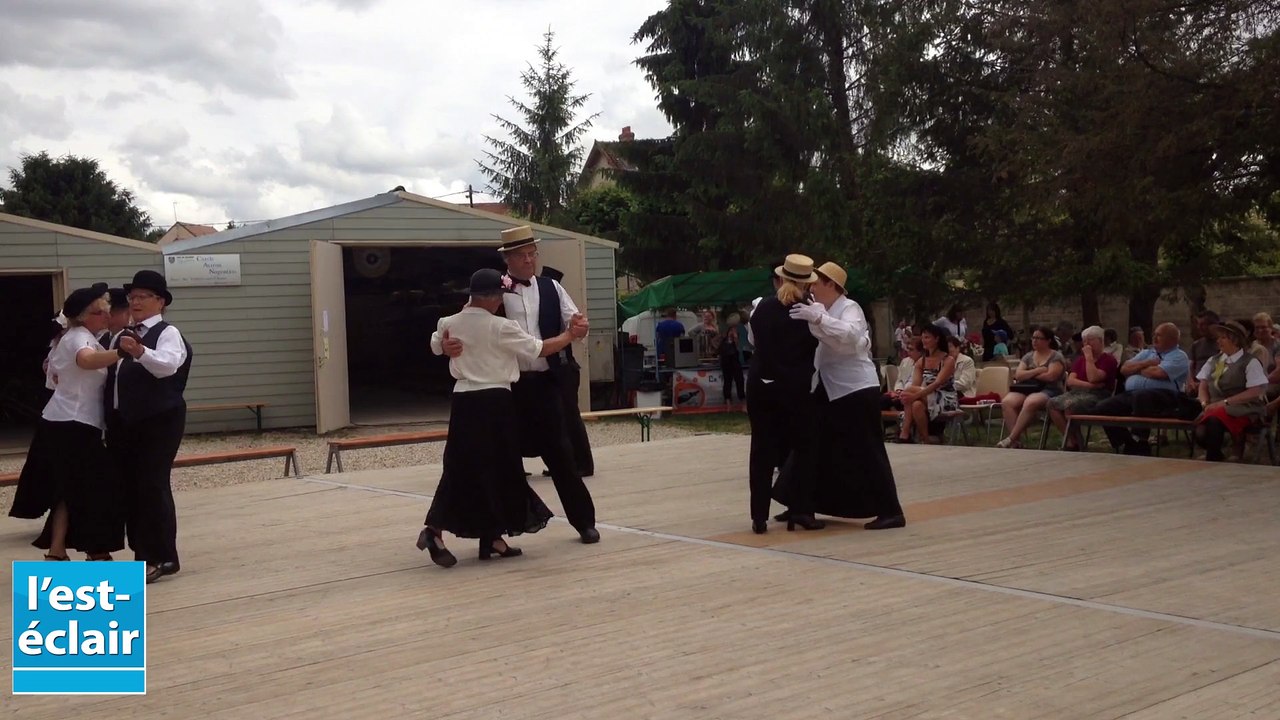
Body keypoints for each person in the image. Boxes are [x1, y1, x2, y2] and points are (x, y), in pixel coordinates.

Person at [416, 269, 586, 567]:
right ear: (491, 298)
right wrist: (570, 335)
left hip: (463, 400)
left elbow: (433, 344)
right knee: (500, 465)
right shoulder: (501, 326)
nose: (500, 303)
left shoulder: (448, 322)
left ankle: (489, 536)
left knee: (462, 465)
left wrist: (443, 347)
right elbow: (539, 349)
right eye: (499, 298)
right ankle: (439, 531)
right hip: (494, 400)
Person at [442, 226, 599, 543]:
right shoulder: (492, 290)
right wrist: (446, 346)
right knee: (501, 457)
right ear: (508, 259)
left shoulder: (552, 287)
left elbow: (576, 322)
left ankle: (584, 522)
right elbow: (462, 324)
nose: (529, 260)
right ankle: (493, 533)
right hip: (507, 388)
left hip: (546, 382)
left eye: (532, 254)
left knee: (561, 454)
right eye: (522, 256)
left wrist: (580, 327)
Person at [780, 262, 905, 530]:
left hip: (855, 388)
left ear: (831, 285)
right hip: (828, 386)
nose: (811, 287)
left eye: (816, 283)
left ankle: (891, 511)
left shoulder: (849, 308)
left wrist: (820, 319)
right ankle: (798, 503)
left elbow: (850, 337)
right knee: (810, 442)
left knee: (868, 449)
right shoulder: (819, 308)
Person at [17, 284, 127, 560]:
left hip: (71, 423)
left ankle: (57, 550)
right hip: (72, 424)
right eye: (100, 312)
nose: (106, 315)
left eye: (106, 310)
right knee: (98, 485)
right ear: (83, 316)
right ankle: (96, 550)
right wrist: (123, 353)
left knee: (69, 487)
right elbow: (86, 361)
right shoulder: (78, 338)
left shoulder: (87, 337)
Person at [105, 270, 193, 584]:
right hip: (125, 422)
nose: (136, 302)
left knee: (152, 484)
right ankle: (141, 554)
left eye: (143, 296)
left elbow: (167, 366)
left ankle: (162, 556)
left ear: (160, 301)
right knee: (130, 487)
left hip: (159, 419)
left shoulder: (168, 333)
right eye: (133, 297)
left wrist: (140, 351)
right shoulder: (123, 334)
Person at [746, 254, 820, 534]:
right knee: (803, 447)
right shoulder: (810, 309)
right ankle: (800, 509)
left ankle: (759, 516)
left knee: (762, 450)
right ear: (806, 283)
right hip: (795, 386)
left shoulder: (762, 308)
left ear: (780, 278)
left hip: (762, 384)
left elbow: (754, 340)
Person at [1091, 323, 1190, 455]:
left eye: (1159, 335)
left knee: (1142, 397)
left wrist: (1137, 369)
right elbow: (1124, 369)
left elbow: (1158, 373)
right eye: (1154, 335)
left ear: (1172, 339)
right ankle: (1129, 442)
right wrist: (1147, 363)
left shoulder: (1179, 356)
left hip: (1166, 397)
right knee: (1103, 407)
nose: (1154, 338)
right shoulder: (1147, 353)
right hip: (1133, 394)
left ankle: (1140, 440)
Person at [538, 265, 594, 478]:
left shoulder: (559, 305)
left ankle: (582, 463)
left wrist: (577, 328)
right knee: (555, 419)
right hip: (551, 368)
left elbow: (578, 329)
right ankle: (563, 462)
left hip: (563, 367)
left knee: (569, 416)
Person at [1193, 320, 1268, 462]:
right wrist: (1204, 403)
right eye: (1218, 337)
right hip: (1214, 406)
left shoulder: (1250, 362)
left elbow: (1254, 391)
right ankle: (1217, 456)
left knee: (1214, 420)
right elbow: (1203, 385)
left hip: (1243, 407)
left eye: (1223, 337)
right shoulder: (1214, 360)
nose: (1218, 341)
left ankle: (1212, 458)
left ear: (1235, 340)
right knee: (1201, 433)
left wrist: (1225, 402)